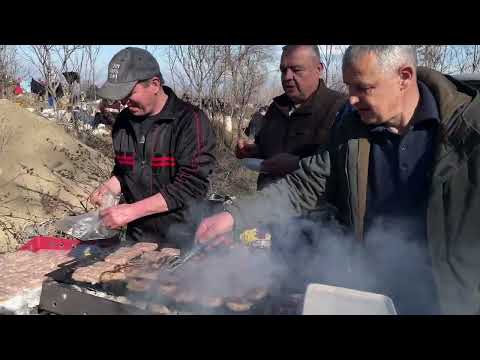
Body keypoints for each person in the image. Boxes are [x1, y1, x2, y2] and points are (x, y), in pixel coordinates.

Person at [195, 45, 480, 315]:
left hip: (449, 298)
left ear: (404, 77)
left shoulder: (470, 131)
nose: (352, 99)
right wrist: (235, 216)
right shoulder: (352, 126)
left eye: (363, 88)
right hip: (372, 291)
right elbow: (305, 185)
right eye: (349, 87)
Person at [90, 47, 216, 249]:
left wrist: (130, 211)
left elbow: (192, 185)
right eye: (119, 95)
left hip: (185, 241)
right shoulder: (122, 123)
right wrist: (110, 187)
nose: (123, 102)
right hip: (137, 242)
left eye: (129, 93)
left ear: (155, 84)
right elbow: (125, 171)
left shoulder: (190, 121)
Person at [235, 45, 346, 190]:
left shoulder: (340, 109)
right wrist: (252, 151)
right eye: (283, 70)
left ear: (319, 69)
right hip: (266, 205)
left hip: (315, 209)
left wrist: (297, 165)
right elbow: (266, 150)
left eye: (296, 70)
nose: (287, 77)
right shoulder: (276, 108)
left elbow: (345, 166)